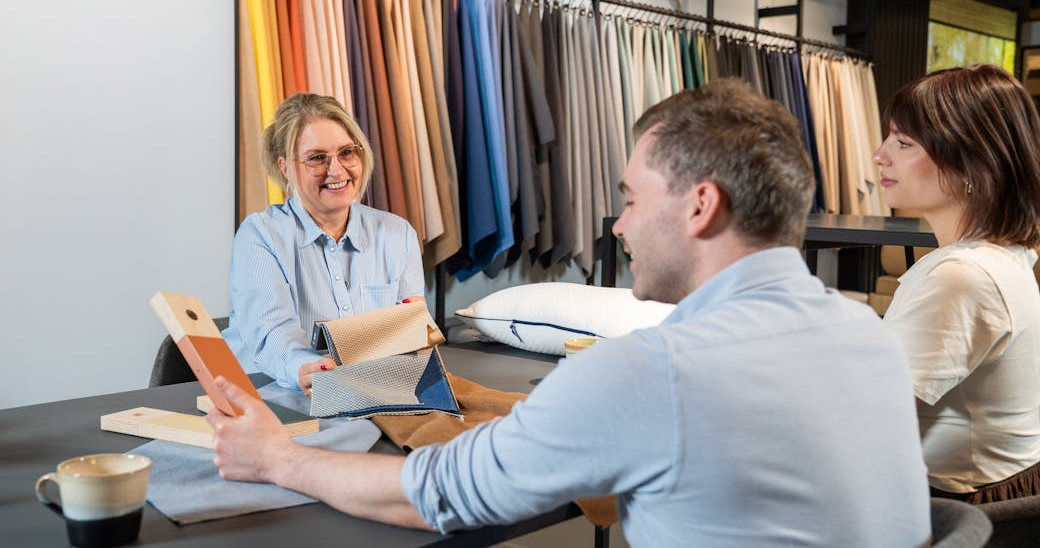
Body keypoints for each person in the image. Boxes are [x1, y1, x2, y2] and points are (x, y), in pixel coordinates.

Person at [207, 79, 930, 547]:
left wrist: (276, 458)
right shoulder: (869, 336)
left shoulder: (651, 371)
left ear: (701, 207)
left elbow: (433, 493)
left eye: (631, 198)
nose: (617, 225)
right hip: (330, 393)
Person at [874, 64, 1040, 503]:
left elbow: (867, 416)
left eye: (903, 143)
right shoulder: (1003, 254)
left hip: (962, 509)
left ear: (971, 161)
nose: (879, 155)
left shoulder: (961, 275)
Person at [222, 93, 425, 395]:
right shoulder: (260, 236)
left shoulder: (398, 235)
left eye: (347, 152)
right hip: (271, 397)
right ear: (285, 168)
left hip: (364, 396)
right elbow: (273, 332)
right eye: (317, 158)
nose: (337, 170)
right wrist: (306, 369)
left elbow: (409, 338)